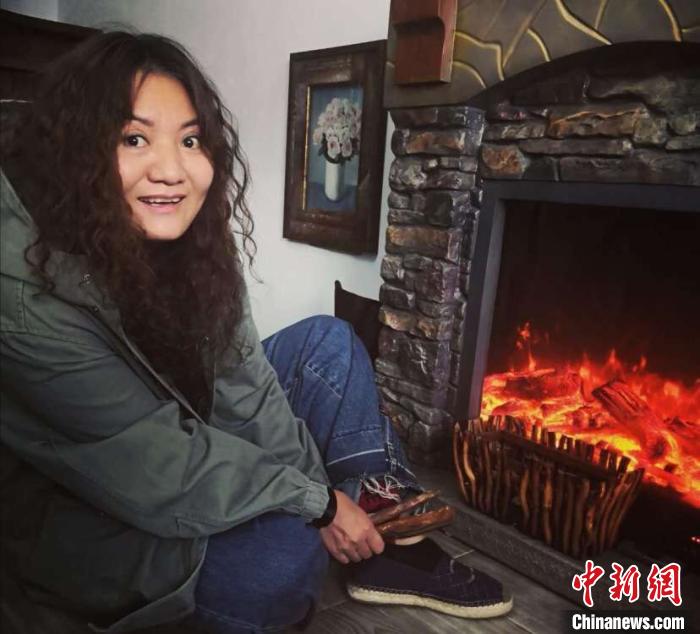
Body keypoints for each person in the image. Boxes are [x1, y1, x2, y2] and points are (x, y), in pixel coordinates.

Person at [0, 31, 512, 634]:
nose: (171, 170)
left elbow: (246, 387)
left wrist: (322, 501)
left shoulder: (186, 240)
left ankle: (387, 534)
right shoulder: (20, 284)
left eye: (190, 139)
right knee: (279, 563)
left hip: (185, 428)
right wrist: (315, 504)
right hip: (87, 508)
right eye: (134, 138)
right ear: (75, 151)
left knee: (328, 344)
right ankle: (354, 532)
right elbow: (149, 458)